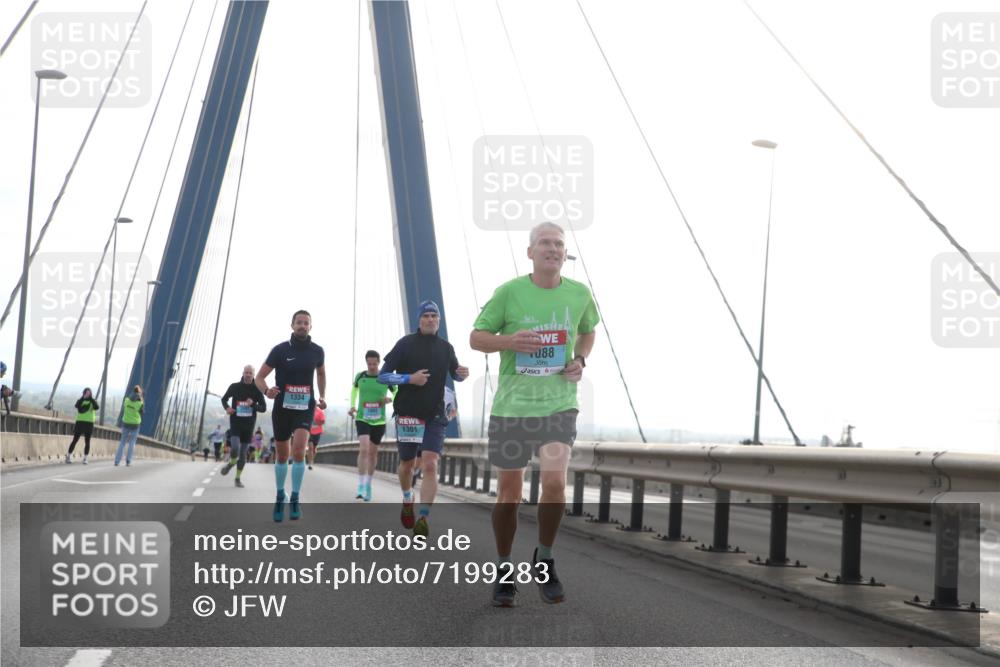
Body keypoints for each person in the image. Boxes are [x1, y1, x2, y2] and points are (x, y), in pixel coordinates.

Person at [470, 221, 599, 607]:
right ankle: (505, 567)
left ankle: (544, 558)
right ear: (531, 252)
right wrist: (510, 341)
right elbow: (476, 338)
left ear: (564, 254)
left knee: (555, 484)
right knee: (509, 495)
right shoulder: (510, 293)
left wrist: (580, 358)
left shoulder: (579, 294)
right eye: (544, 243)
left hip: (559, 403)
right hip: (512, 409)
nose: (552, 248)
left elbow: (588, 331)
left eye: (559, 244)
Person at [379, 300, 468, 537]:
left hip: (435, 415)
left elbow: (455, 373)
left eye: (434, 316)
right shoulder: (405, 344)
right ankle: (408, 499)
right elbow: (383, 376)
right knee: (407, 465)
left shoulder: (446, 348)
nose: (430, 319)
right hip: (408, 414)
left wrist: (461, 375)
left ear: (439, 320)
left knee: (430, 464)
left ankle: (424, 518)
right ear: (419, 320)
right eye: (426, 316)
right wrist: (409, 379)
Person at [255, 310, 326, 522]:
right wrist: (267, 391)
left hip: (305, 407)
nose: (303, 326)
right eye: (299, 322)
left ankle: (294, 497)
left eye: (306, 323)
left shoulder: (317, 351)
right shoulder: (279, 350)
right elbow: (260, 377)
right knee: (282, 456)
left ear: (311, 327)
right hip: (282, 408)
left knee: (298, 452)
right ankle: (280, 496)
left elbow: (321, 373)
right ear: (292, 325)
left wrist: (322, 395)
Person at [348, 350, 397, 501]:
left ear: (379, 362)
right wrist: (352, 406)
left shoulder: (385, 378)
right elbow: (354, 391)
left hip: (379, 420)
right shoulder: (360, 376)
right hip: (362, 418)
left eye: (374, 364)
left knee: (372, 453)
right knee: (364, 449)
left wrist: (390, 400)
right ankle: (361, 485)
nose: (372, 366)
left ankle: (368, 484)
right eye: (369, 364)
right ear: (366, 362)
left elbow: (397, 393)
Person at [220, 365, 267, 488]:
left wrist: (253, 405)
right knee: (235, 447)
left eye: (250, 373)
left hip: (249, 425)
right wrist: (227, 408)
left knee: (243, 453)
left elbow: (263, 408)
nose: (248, 375)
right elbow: (224, 399)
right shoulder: (235, 387)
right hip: (236, 422)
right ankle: (231, 462)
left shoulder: (257, 389)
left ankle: (237, 478)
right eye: (246, 372)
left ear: (253, 375)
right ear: (243, 373)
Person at [65, 387, 99, 464]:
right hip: (80, 422)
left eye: (89, 393)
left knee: (87, 441)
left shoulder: (93, 402)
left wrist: (91, 399)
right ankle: (68, 456)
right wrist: (82, 398)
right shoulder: (80, 401)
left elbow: (97, 407)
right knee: (75, 440)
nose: (88, 394)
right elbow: (76, 405)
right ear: (83, 393)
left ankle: (85, 458)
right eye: (86, 393)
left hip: (89, 423)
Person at [114, 385, 145, 467]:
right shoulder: (140, 403)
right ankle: (128, 461)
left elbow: (125, 409)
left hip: (126, 423)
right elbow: (142, 413)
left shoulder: (127, 400)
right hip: (135, 424)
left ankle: (117, 461)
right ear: (139, 393)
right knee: (132, 443)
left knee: (122, 442)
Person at [307, 404, 325, 470]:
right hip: (309, 431)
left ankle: (311, 460)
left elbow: (323, 421)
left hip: (317, 431)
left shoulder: (320, 412)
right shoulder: (308, 410)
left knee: (314, 449)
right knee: (310, 447)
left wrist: (318, 423)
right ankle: (310, 463)